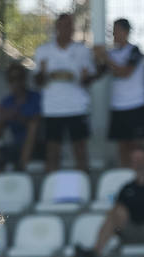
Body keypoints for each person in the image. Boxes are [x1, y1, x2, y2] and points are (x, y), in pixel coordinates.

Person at [33, 13, 96, 174]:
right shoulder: (43, 50)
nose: (65, 29)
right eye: (62, 26)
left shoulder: (82, 50)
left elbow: (89, 80)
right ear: (56, 28)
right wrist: (43, 71)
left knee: (80, 150)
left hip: (77, 106)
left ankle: (82, 187)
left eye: (69, 25)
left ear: (73, 28)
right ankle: (51, 191)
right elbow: (38, 81)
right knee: (52, 152)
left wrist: (84, 78)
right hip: (53, 108)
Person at [92, 145, 144, 256]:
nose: (139, 163)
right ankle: (95, 254)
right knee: (113, 214)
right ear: (131, 163)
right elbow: (117, 211)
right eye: (136, 160)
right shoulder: (127, 188)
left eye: (142, 160)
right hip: (131, 229)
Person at [94, 18, 144, 169]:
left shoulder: (134, 51)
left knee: (137, 146)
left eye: (117, 30)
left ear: (126, 32)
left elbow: (125, 72)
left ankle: (141, 173)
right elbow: (99, 74)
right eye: (113, 31)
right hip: (118, 106)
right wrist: (97, 58)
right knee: (122, 146)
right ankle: (125, 174)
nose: (114, 34)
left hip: (136, 104)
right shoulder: (112, 53)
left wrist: (106, 57)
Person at [0, 63, 41, 177]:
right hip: (16, 147)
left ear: (24, 79)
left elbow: (37, 123)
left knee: (33, 127)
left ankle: (21, 170)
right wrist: (2, 120)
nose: (16, 82)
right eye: (12, 79)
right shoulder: (6, 102)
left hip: (38, 147)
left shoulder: (36, 97)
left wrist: (18, 116)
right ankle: (5, 180)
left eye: (19, 78)